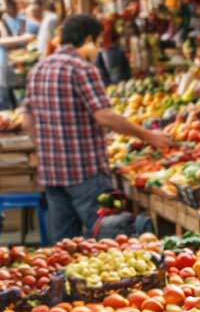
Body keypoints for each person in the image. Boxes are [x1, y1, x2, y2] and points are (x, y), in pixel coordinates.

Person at [24, 13, 172, 242]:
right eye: (98, 43)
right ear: (89, 39)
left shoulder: (38, 70)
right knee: (108, 236)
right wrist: (149, 135)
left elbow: (27, 121)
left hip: (52, 173)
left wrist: (47, 148)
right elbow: (104, 116)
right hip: (86, 172)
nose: (98, 49)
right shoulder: (82, 69)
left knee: (66, 245)